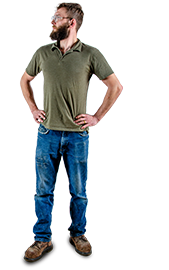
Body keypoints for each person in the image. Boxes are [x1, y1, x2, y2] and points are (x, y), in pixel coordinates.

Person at [20, 3, 123, 262]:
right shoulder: (43, 53)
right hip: (47, 134)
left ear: (72, 22)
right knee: (43, 190)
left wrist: (97, 117)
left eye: (57, 18)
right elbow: (24, 80)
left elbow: (116, 86)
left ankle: (78, 234)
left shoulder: (90, 54)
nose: (52, 22)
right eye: (53, 17)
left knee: (79, 190)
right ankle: (42, 239)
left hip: (77, 136)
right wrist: (33, 108)